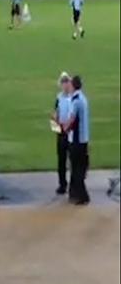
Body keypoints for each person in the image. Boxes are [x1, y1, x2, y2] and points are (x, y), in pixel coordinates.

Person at [62, 75, 90, 205]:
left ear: (73, 85)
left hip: (77, 141)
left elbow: (72, 120)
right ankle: (74, 193)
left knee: (77, 169)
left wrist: (64, 128)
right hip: (83, 140)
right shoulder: (83, 98)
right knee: (77, 167)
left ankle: (82, 195)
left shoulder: (76, 100)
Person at [52, 72, 72, 195]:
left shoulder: (72, 98)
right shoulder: (59, 97)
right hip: (61, 133)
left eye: (66, 82)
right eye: (63, 82)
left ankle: (74, 185)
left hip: (70, 132)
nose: (64, 84)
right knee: (61, 160)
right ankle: (62, 184)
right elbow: (55, 113)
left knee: (73, 160)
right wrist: (56, 130)